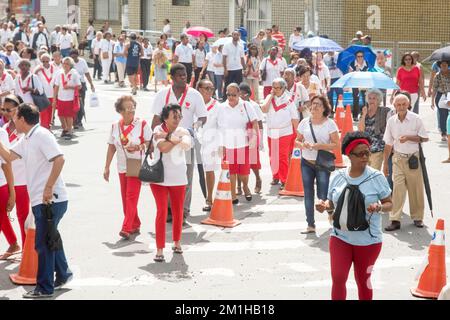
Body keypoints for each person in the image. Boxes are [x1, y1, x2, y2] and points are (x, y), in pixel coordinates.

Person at [0, 103, 71, 298]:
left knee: (42, 244)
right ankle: (64, 274)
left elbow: (60, 159)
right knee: (51, 238)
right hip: (42, 199)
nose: (12, 120)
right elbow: (7, 156)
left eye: (15, 116)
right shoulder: (27, 138)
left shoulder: (41, 135)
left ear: (22, 119)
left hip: (50, 199)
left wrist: (48, 188)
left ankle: (45, 288)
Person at [316, 131, 392, 300]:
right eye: (360, 154)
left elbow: (389, 203)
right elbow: (331, 203)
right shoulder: (337, 176)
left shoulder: (376, 177)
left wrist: (379, 207)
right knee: (338, 278)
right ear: (349, 155)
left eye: (367, 152)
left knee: (363, 280)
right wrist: (324, 205)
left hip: (368, 241)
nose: (365, 157)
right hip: (340, 237)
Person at [151, 63, 207, 221]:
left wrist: (195, 127)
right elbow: (155, 119)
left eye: (185, 74)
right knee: (166, 175)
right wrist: (151, 142)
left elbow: (203, 116)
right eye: (180, 75)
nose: (184, 77)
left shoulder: (195, 94)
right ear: (172, 77)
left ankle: (183, 210)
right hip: (166, 141)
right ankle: (169, 209)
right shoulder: (162, 94)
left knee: (186, 176)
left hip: (185, 141)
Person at [104, 96, 151, 239]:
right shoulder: (115, 126)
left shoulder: (142, 124)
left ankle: (126, 227)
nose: (131, 111)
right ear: (120, 111)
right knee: (125, 198)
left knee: (131, 197)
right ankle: (135, 223)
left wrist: (139, 146)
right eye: (128, 108)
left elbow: (150, 143)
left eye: (133, 107)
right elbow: (111, 147)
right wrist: (107, 167)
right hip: (122, 166)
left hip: (136, 164)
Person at [151, 103, 192, 262]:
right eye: (174, 116)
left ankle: (177, 242)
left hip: (178, 178)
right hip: (159, 178)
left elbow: (186, 144)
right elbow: (163, 149)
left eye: (179, 116)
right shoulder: (156, 129)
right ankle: (160, 249)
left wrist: (168, 137)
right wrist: (175, 139)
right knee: (161, 211)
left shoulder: (183, 131)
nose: (177, 119)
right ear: (165, 117)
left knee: (178, 212)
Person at [383, 94, 429, 231]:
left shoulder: (416, 119)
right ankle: (395, 219)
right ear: (395, 106)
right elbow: (388, 144)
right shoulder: (391, 121)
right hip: (397, 158)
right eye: (398, 105)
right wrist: (385, 164)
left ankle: (417, 217)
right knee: (397, 189)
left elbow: (424, 138)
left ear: (409, 105)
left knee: (416, 189)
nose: (401, 107)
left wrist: (409, 138)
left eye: (404, 104)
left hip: (413, 159)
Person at [296, 95, 339, 234]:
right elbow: (296, 141)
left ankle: (331, 212)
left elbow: (336, 145)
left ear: (324, 108)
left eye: (318, 104)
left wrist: (320, 146)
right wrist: (303, 144)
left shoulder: (330, 123)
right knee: (308, 194)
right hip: (306, 162)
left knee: (323, 194)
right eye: (313, 104)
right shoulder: (304, 122)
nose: (314, 106)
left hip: (322, 164)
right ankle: (310, 224)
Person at [216, 83, 258, 203]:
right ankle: (233, 194)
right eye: (228, 94)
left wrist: (254, 137)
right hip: (227, 145)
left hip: (243, 144)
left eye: (233, 95)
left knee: (244, 172)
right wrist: (220, 145)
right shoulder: (221, 107)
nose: (230, 97)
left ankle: (245, 186)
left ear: (239, 94)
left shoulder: (246, 105)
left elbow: (254, 122)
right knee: (231, 171)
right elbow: (218, 127)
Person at [1, 94, 29, 249]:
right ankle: (13, 244)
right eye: (3, 109)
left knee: (22, 216)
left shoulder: (24, 130)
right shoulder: (4, 129)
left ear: (18, 109)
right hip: (7, 179)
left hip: (22, 179)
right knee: (3, 213)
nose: (5, 113)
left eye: (8, 110)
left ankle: (26, 249)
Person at [261, 78, 299, 189]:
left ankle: (284, 179)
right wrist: (271, 96)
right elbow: (264, 109)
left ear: (283, 88)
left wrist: (298, 134)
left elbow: (295, 118)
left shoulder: (289, 101)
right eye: (273, 87)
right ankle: (275, 176)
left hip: (285, 132)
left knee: (282, 156)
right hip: (272, 131)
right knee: (273, 156)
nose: (275, 90)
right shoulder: (269, 97)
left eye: (277, 88)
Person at [197, 79, 220, 211]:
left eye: (212, 88)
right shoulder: (194, 103)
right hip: (194, 142)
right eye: (207, 88)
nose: (210, 91)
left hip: (211, 143)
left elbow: (222, 126)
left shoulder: (217, 106)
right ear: (199, 89)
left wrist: (220, 145)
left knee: (208, 171)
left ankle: (209, 199)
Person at [238, 82, 264, 194]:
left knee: (253, 161)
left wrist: (260, 140)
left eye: (241, 94)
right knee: (239, 161)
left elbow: (260, 124)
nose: (239, 96)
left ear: (248, 95)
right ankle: (239, 186)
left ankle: (258, 179)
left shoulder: (254, 106)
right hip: (239, 136)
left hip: (252, 135)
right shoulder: (236, 105)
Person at [358, 89, 392, 170]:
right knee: (365, 173)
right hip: (366, 148)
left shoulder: (385, 111)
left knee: (373, 173)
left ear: (379, 100)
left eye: (374, 98)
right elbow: (361, 130)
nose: (371, 100)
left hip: (378, 148)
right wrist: (363, 115)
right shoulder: (364, 111)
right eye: (369, 98)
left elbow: (390, 128)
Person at [0, 117, 19, 260]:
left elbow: (7, 164)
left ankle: (14, 244)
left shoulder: (1, 134)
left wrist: (12, 193)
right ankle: (13, 244)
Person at [53, 57, 81, 140]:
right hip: (61, 98)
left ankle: (69, 131)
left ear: (71, 65)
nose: (65, 65)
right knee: (60, 115)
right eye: (64, 63)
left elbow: (79, 86)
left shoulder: (74, 73)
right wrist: (54, 98)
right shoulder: (59, 73)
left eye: (67, 64)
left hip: (70, 98)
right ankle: (64, 128)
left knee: (69, 115)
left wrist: (70, 87)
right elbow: (56, 86)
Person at [70, 49, 95, 129]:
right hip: (73, 86)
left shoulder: (82, 61)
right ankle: (74, 121)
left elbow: (87, 73)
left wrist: (91, 84)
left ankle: (79, 121)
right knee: (73, 104)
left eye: (75, 57)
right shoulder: (69, 62)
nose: (74, 59)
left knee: (81, 104)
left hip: (82, 84)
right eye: (72, 57)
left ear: (78, 56)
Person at [34, 53, 55, 129]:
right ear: (41, 61)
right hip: (42, 94)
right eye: (43, 61)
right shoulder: (38, 68)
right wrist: (36, 71)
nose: (45, 63)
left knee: (50, 112)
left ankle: (48, 127)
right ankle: (44, 128)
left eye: (47, 61)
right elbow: (32, 78)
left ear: (49, 60)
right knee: (43, 113)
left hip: (52, 94)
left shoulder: (54, 68)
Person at [432, 60, 450, 142]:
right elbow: (435, 88)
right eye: (442, 65)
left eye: (445, 65)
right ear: (440, 66)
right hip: (441, 96)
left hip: (449, 95)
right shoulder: (437, 75)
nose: (443, 66)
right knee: (443, 115)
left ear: (448, 65)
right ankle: (443, 133)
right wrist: (432, 100)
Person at [349, 51, 369, 121]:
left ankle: (365, 115)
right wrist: (355, 71)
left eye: (361, 56)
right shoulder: (352, 63)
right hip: (355, 83)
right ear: (356, 57)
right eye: (358, 56)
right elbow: (350, 73)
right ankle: (355, 116)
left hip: (364, 83)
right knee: (356, 99)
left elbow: (369, 73)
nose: (360, 58)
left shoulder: (366, 63)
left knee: (365, 100)